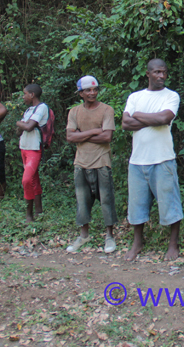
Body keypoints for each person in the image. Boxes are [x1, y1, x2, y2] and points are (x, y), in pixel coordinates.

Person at [122, 59, 183, 261]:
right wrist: (150, 119)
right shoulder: (135, 96)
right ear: (147, 74)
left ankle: (173, 245)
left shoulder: (171, 96)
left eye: (164, 72)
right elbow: (125, 123)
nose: (161, 76)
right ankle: (137, 243)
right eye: (157, 72)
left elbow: (163, 119)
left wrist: (138, 115)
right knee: (136, 205)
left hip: (163, 158)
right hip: (137, 161)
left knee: (170, 203)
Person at [65, 76, 119, 254]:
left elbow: (107, 137)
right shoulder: (74, 112)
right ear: (80, 93)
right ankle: (83, 235)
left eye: (95, 89)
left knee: (106, 199)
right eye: (88, 90)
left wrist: (83, 134)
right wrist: (96, 130)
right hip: (81, 162)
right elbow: (70, 137)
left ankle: (109, 236)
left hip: (102, 161)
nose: (92, 93)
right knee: (82, 200)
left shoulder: (106, 110)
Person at [16, 84, 49, 223]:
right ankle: (38, 210)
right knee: (34, 179)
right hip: (24, 146)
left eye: (25, 94)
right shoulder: (29, 110)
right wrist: (22, 125)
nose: (23, 97)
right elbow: (20, 130)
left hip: (34, 148)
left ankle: (29, 214)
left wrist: (19, 123)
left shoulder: (42, 107)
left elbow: (28, 127)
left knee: (26, 180)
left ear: (32, 95)